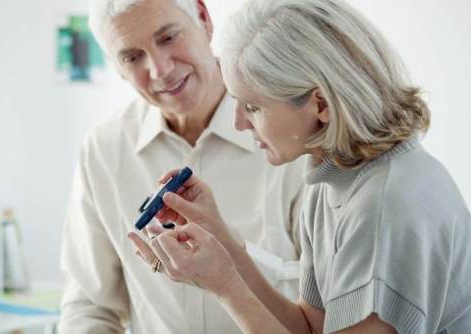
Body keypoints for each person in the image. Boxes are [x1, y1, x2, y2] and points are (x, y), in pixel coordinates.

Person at [128, 0, 471, 333]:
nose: (239, 123)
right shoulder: (331, 179)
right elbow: (309, 327)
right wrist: (223, 243)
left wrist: (224, 286)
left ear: (320, 104)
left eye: (252, 107)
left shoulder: (386, 205)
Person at [58, 0, 306, 333]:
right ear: (117, 68)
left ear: (203, 18)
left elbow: (329, 303)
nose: (160, 69)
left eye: (168, 37)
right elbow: (90, 304)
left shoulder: (293, 132)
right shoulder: (103, 151)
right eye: (133, 57)